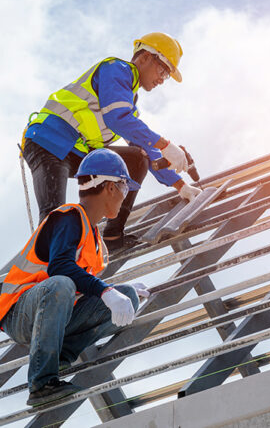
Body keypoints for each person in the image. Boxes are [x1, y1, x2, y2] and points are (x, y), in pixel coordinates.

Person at [21, 32, 201, 253]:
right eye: (163, 70)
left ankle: (112, 237)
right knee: (54, 215)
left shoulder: (128, 99)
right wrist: (166, 144)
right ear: (144, 57)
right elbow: (118, 118)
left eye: (167, 75)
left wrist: (181, 186)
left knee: (137, 159)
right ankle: (50, 272)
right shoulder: (117, 70)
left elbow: (145, 149)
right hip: (49, 142)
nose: (162, 79)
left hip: (78, 153)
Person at [0, 149, 150, 407]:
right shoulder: (69, 218)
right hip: (18, 312)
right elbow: (60, 267)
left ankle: (60, 356)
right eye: (125, 189)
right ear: (111, 188)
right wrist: (106, 291)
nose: (125, 198)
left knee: (128, 296)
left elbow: (81, 284)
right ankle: (42, 382)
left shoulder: (93, 237)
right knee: (62, 283)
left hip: (54, 313)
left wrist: (116, 292)